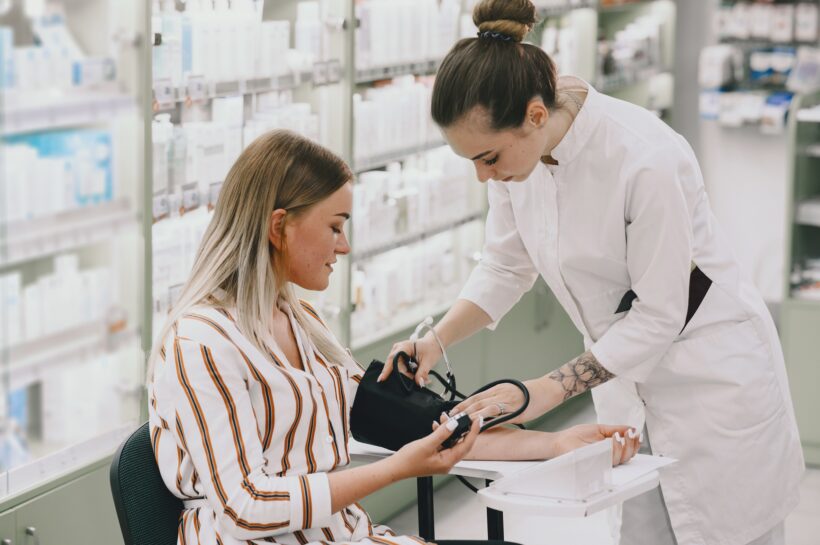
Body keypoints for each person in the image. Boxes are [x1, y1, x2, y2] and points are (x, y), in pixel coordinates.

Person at [382, 1, 805, 545]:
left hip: (710, 382)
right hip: (628, 388)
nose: (484, 177)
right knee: (645, 531)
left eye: (488, 158)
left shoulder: (643, 157)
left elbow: (661, 312)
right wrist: (435, 341)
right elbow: (506, 264)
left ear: (536, 115)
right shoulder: (519, 165)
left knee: (729, 530)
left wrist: (543, 390)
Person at [146, 130, 640, 545]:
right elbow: (245, 508)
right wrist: (397, 470)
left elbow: (410, 427)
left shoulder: (299, 322)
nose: (345, 245)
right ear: (280, 226)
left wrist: (553, 445)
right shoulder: (201, 343)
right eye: (335, 226)